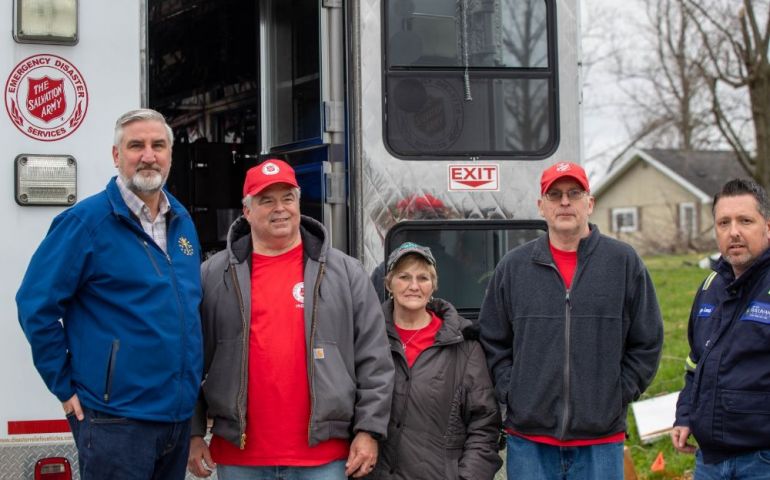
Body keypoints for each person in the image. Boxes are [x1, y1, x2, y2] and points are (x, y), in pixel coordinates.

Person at [16, 109, 203, 480]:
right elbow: (35, 305)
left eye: (158, 145)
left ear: (170, 155)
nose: (148, 155)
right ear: (117, 156)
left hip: (175, 419)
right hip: (115, 421)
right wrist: (63, 386)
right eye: (136, 146)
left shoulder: (181, 221)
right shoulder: (87, 222)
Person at [188, 159, 394, 480]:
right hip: (240, 458)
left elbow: (375, 359)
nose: (279, 208)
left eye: (287, 198)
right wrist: (193, 433)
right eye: (266, 200)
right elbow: (189, 359)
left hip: (324, 457)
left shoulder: (345, 272)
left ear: (299, 202)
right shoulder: (213, 276)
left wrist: (368, 430)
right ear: (247, 210)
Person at [479, 161, 664, 479]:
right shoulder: (514, 267)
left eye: (574, 193)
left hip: (600, 442)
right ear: (541, 206)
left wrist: (617, 393)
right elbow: (492, 339)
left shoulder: (623, 263)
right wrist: (513, 391)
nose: (565, 202)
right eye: (555, 194)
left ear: (589, 203)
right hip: (529, 441)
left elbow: (647, 340)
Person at [369, 242, 502, 479]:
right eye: (404, 277)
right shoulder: (367, 337)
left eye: (423, 278)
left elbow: (484, 425)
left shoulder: (464, 345)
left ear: (434, 286)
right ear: (389, 283)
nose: (413, 286)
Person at [672, 178, 770, 478]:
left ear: (767, 226)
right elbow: (695, 361)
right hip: (710, 461)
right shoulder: (710, 286)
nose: (734, 231)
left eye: (745, 221)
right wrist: (686, 414)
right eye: (723, 222)